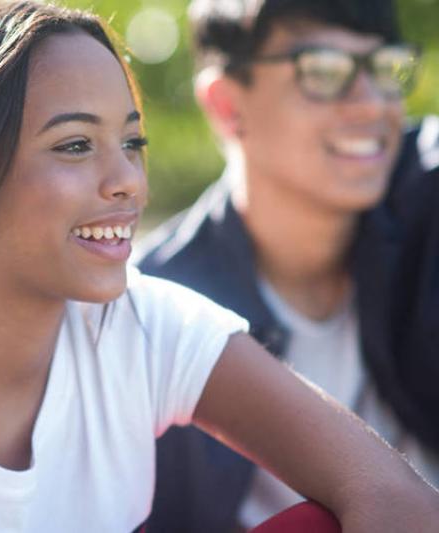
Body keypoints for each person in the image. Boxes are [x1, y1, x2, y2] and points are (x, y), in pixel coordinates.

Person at [0, 1, 439, 531]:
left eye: (132, 143)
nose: (128, 183)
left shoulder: (142, 324)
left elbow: (391, 496)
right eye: (75, 145)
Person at [134, 0, 439, 531]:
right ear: (227, 104)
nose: (372, 104)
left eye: (384, 67)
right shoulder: (156, 309)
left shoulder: (428, 205)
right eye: (323, 71)